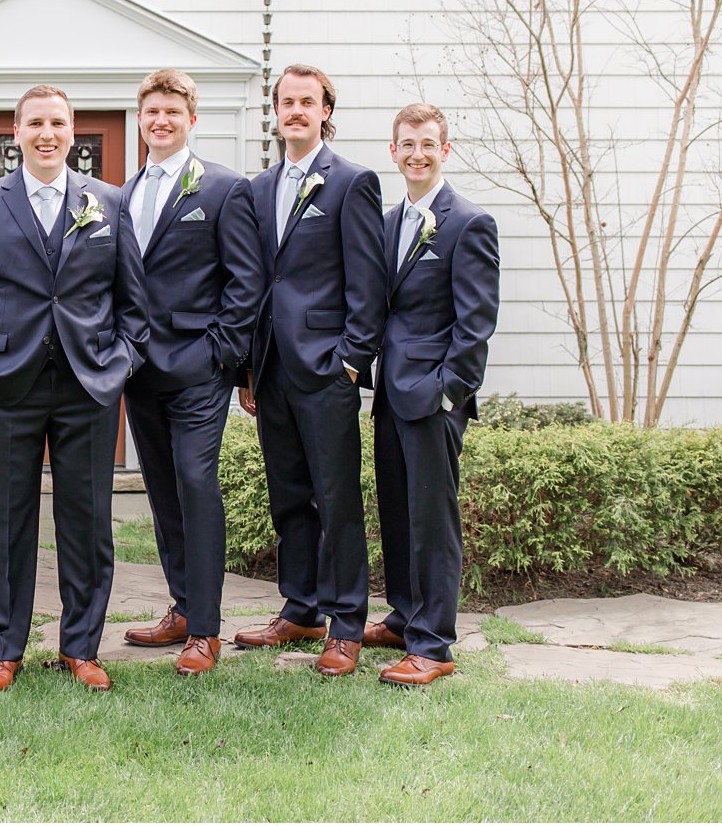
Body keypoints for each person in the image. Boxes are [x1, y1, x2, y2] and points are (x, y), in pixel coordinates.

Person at [0, 84, 149, 693]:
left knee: (88, 522)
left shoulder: (107, 202)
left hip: (88, 385)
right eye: (35, 123)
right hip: (5, 385)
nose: (47, 133)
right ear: (17, 131)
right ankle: (3, 649)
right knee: (5, 521)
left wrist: (120, 363)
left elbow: (132, 302)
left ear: (73, 130)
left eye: (57, 122)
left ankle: (81, 647)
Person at [235, 64, 387, 677]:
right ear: (275, 111)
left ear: (326, 110)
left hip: (326, 369)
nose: (295, 110)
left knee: (337, 499)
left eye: (308, 102)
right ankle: (300, 607)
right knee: (289, 496)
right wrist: (248, 368)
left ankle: (346, 623)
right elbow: (255, 282)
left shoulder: (351, 182)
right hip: (271, 371)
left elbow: (368, 281)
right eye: (286, 101)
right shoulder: (258, 187)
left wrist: (350, 361)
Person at [118, 69, 264, 676]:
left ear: (191, 120)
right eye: (151, 112)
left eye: (172, 113)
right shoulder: (120, 194)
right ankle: (181, 607)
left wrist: (223, 355)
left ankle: (206, 629)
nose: (161, 121)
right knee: (163, 493)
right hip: (138, 370)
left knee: (197, 487)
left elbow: (246, 280)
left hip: (200, 369)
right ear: (141, 119)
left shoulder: (225, 188)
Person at [367, 103, 500, 685]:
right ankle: (404, 616)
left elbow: (476, 325)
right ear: (393, 152)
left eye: (427, 143)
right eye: (406, 144)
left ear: (445, 151)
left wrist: (450, 393)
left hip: (433, 398)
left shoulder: (469, 223)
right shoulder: (389, 219)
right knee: (397, 511)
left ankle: (435, 644)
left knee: (432, 518)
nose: (415, 153)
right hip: (390, 395)